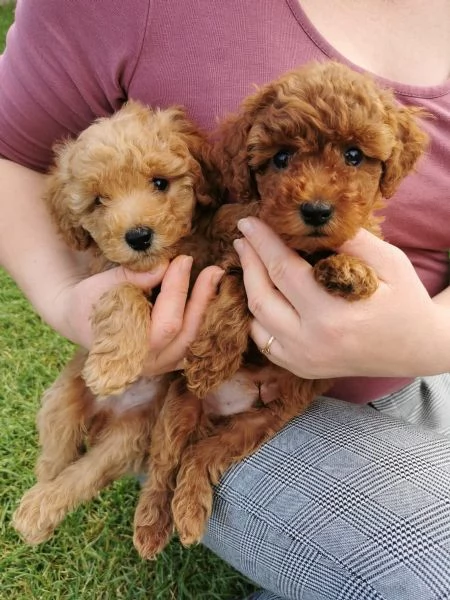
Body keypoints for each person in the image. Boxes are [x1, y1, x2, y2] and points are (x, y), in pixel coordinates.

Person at [1, 1, 449, 598]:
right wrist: (66, 301)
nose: (316, 187)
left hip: (422, 374)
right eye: (282, 159)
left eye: (354, 158)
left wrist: (432, 340)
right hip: (211, 395)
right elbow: (13, 154)